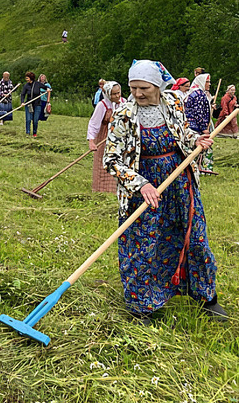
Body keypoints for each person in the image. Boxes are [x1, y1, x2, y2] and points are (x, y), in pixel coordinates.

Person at [104, 59, 226, 325]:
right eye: (133, 88)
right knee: (144, 244)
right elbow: (111, 160)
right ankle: (142, 307)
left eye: (143, 88)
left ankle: (205, 297)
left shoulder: (173, 103)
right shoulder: (124, 114)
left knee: (194, 238)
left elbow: (182, 133)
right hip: (144, 188)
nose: (137, 94)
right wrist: (141, 184)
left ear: (157, 86)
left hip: (179, 182)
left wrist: (197, 140)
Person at [87, 81, 124, 193]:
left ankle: (119, 188)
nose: (117, 96)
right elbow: (93, 124)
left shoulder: (124, 103)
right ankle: (102, 190)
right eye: (114, 94)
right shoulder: (102, 106)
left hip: (120, 137)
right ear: (108, 94)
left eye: (118, 93)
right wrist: (91, 141)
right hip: (105, 137)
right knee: (104, 163)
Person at [185, 73, 215, 174]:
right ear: (201, 82)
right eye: (207, 82)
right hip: (195, 127)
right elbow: (198, 113)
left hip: (191, 125)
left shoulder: (195, 93)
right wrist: (203, 128)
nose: (209, 84)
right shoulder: (199, 95)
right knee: (202, 147)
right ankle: (203, 169)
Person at [21, 71, 44, 137]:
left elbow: (46, 87)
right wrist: (22, 102)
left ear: (31, 78)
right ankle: (27, 132)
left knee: (35, 120)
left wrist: (48, 89)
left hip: (37, 104)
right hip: (29, 104)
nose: (26, 79)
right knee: (28, 119)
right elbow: (23, 94)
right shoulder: (26, 86)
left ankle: (34, 133)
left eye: (27, 78)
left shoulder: (37, 84)